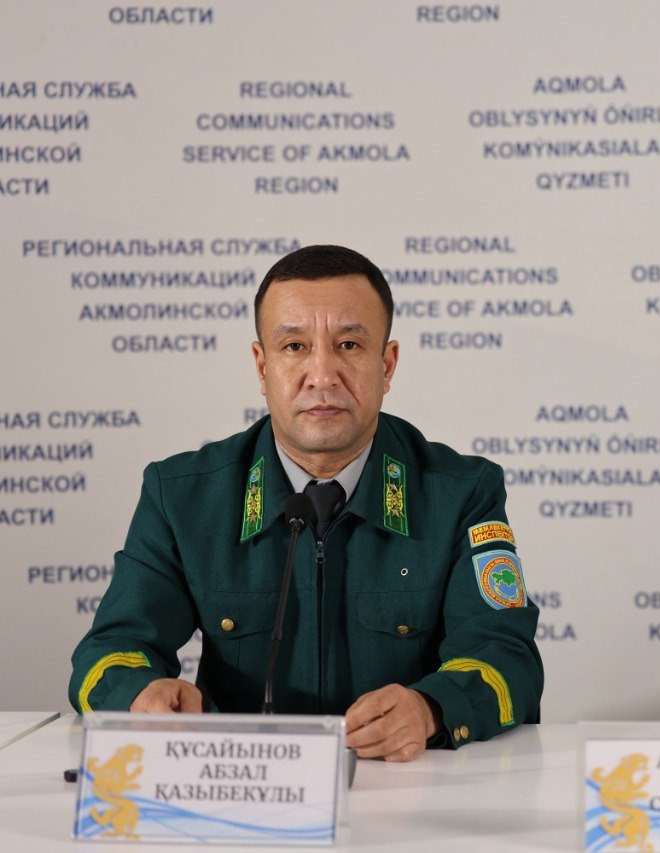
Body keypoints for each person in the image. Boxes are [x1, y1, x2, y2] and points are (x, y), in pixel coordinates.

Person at [70, 244, 543, 759]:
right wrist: (140, 696)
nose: (322, 375)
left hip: (405, 786)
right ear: (262, 366)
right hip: (241, 786)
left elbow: (505, 655)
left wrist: (431, 708)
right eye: (294, 346)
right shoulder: (183, 496)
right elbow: (111, 651)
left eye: (349, 345)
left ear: (387, 365)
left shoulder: (461, 492)